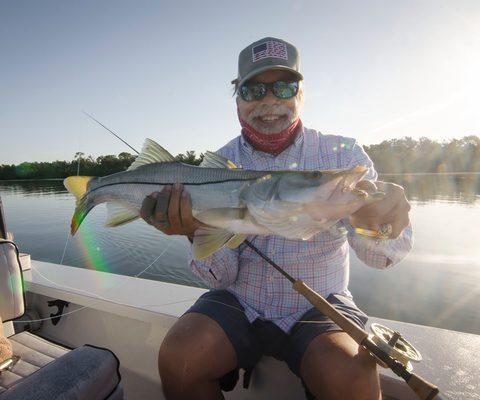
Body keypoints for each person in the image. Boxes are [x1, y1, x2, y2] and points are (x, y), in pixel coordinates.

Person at [141, 37, 412, 400]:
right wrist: (194, 232)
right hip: (240, 299)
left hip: (320, 303)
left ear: (301, 94)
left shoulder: (342, 155)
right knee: (180, 358)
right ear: (237, 98)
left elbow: (381, 257)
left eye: (284, 87)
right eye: (253, 89)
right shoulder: (214, 168)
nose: (269, 100)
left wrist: (380, 223)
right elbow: (222, 278)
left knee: (350, 376)